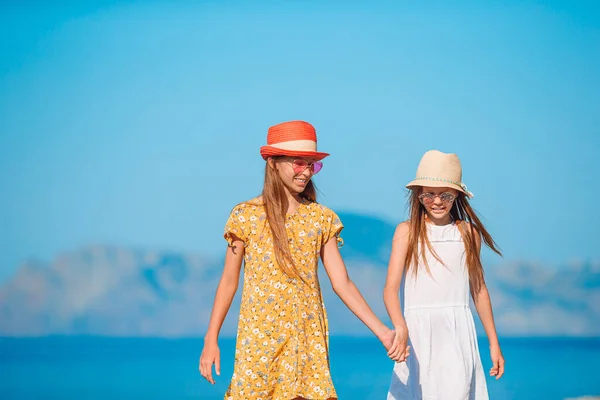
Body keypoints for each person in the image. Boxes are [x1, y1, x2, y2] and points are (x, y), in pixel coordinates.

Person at [199, 120, 395, 400]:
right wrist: (211, 338)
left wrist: (382, 332)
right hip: (259, 340)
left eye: (311, 165)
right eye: (298, 163)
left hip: (306, 339)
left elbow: (342, 283)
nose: (306, 172)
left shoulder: (321, 219)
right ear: (273, 163)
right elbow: (229, 281)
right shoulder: (245, 216)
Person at [384, 150, 505, 399]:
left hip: (456, 332)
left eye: (445, 195)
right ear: (418, 195)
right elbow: (390, 289)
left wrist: (494, 343)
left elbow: (479, 289)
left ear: (457, 196)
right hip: (416, 334)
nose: (437, 202)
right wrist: (400, 328)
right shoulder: (406, 232)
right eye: (429, 194)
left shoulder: (468, 233)